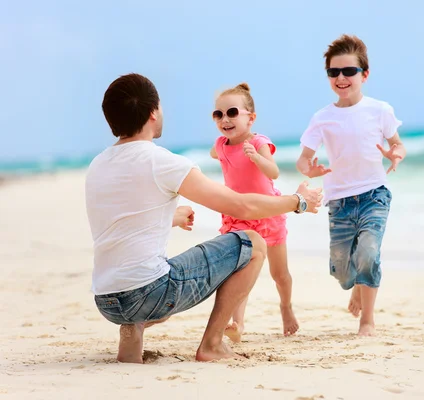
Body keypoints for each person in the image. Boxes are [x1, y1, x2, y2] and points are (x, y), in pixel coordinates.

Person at [85, 73, 322, 364]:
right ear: (153, 113)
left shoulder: (98, 165)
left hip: (107, 300)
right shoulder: (163, 161)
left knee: (144, 271)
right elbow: (241, 207)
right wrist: (298, 202)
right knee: (253, 242)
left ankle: (131, 334)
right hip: (148, 294)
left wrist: (171, 217)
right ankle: (212, 344)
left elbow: (124, 220)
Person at [296, 34, 407, 337]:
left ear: (364, 75)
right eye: (334, 72)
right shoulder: (322, 118)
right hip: (340, 201)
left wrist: (395, 154)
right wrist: (311, 169)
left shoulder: (380, 110)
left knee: (369, 254)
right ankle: (356, 284)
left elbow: (397, 144)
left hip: (374, 194)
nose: (341, 78)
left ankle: (367, 321)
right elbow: (302, 160)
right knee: (343, 269)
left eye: (349, 71)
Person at [209, 83, 299, 341]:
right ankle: (237, 324)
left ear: (251, 118)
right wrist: (220, 154)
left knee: (279, 274)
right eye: (218, 114)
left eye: (232, 112)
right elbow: (216, 152)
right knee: (240, 272)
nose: (225, 119)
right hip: (238, 216)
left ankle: (286, 307)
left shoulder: (259, 142)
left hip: (268, 215)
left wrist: (256, 158)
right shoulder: (222, 144)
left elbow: (274, 172)